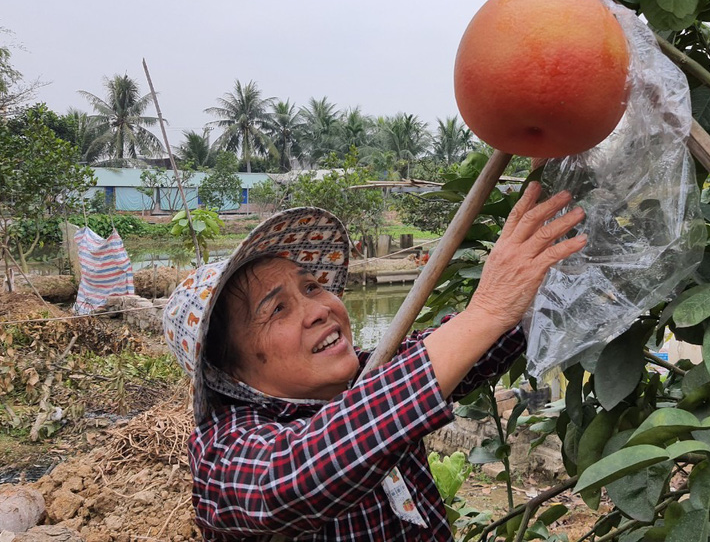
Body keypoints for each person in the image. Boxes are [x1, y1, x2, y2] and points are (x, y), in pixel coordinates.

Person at [163, 182, 585, 541]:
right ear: (230, 370)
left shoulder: (371, 376)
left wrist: (548, 282)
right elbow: (292, 476)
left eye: (311, 287)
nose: (318, 310)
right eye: (277, 310)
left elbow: (464, 351)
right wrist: (486, 311)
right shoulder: (222, 454)